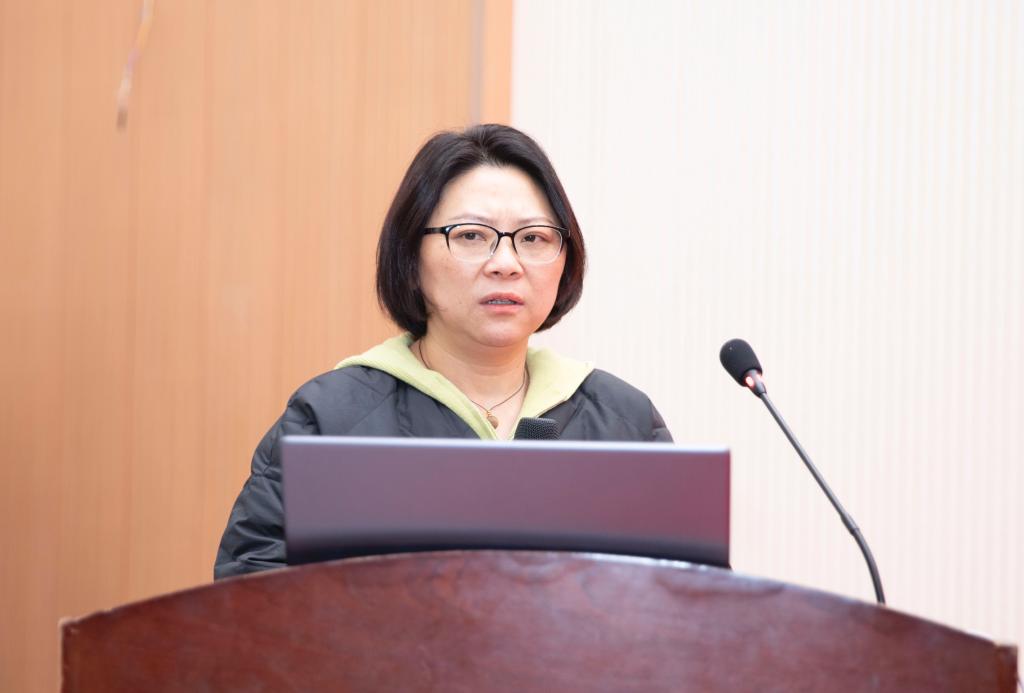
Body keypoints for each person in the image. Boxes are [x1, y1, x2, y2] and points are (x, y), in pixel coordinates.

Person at [214, 124, 672, 579]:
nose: (506, 264)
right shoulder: (331, 419)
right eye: (471, 235)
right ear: (411, 257)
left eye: (533, 238)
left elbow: (686, 595)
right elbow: (252, 590)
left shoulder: (623, 421)